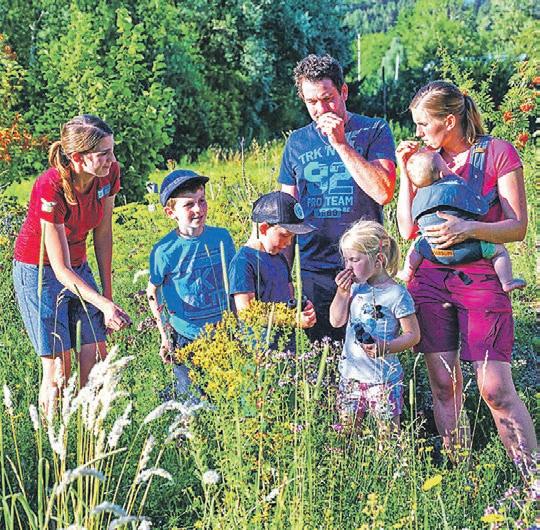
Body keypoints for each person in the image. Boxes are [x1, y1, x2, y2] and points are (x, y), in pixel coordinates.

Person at [396, 80, 536, 474]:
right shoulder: (424, 162)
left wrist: (468, 229)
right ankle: (463, 477)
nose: (418, 132)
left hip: (481, 278)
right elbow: (407, 230)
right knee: (443, 384)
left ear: (449, 120)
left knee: (495, 388)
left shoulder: (497, 152)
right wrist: (406, 175)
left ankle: (532, 479)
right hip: (430, 281)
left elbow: (517, 227)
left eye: (423, 123)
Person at [13, 114, 131, 413]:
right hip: (40, 272)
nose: (112, 160)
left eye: (112, 151)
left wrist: (107, 297)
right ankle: (53, 436)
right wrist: (103, 305)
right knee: (59, 373)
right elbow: (59, 268)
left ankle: (87, 429)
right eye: (103, 154)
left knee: (96, 360)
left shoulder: (109, 173)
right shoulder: (50, 187)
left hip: (77, 266)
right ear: (77, 158)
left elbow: (103, 235)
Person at [279, 53, 397, 342]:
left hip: (365, 266)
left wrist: (341, 144)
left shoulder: (374, 130)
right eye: (311, 102)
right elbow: (286, 215)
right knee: (320, 353)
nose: (321, 109)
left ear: (343, 92)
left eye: (328, 98)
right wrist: (283, 277)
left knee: (369, 352)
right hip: (313, 269)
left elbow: (383, 192)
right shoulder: (296, 142)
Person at [146, 169, 235, 403]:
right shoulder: (164, 250)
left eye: (202, 200)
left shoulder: (222, 238)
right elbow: (153, 292)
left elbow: (236, 282)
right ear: (171, 212)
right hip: (186, 336)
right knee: (192, 402)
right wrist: (165, 336)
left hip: (222, 332)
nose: (199, 209)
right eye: (188, 205)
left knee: (226, 399)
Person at [329, 220, 420, 436]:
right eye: (346, 260)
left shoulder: (397, 294)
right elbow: (336, 321)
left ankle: (389, 459)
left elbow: (413, 335)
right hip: (351, 376)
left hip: (383, 379)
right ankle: (350, 459)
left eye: (354, 260)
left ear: (378, 260)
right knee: (347, 432)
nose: (348, 267)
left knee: (387, 434)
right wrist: (342, 293)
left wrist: (386, 347)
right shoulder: (355, 288)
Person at [397, 150, 526, 293]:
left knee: (416, 244)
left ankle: (407, 272)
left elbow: (411, 226)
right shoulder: (456, 186)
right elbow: (479, 208)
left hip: (433, 251)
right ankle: (507, 281)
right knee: (499, 251)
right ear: (442, 174)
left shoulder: (419, 197)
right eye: (446, 166)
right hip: (467, 249)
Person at [229, 191, 317, 335]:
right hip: (260, 344)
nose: (289, 243)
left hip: (285, 340)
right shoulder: (243, 262)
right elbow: (246, 313)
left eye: (292, 237)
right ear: (263, 228)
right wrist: (292, 319)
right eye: (285, 235)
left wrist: (301, 308)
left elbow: (289, 297)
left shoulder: (280, 257)